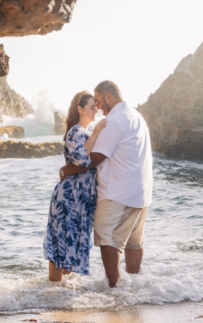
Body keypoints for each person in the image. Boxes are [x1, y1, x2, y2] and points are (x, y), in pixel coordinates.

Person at [60, 81, 153, 288]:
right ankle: (134, 288)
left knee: (107, 240)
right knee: (133, 243)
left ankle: (114, 289)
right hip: (141, 194)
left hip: (117, 194)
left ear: (109, 97)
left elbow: (93, 158)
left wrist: (66, 170)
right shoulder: (136, 116)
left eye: (99, 101)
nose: (99, 107)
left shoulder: (116, 120)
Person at [43, 90, 107, 282]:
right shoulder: (76, 131)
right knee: (61, 248)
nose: (95, 110)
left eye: (96, 107)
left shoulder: (86, 132)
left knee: (72, 247)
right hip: (70, 197)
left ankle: (58, 297)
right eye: (91, 107)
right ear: (80, 109)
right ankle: (50, 294)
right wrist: (96, 133)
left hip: (81, 199)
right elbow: (80, 159)